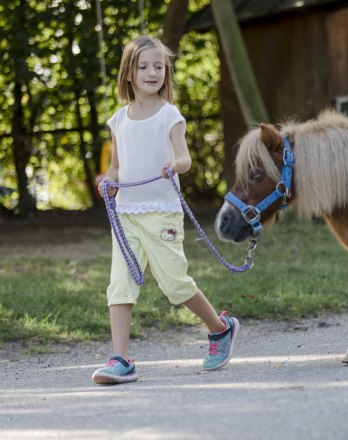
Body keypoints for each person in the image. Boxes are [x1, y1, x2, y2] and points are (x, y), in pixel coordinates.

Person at [93, 35, 239, 385]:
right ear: (129, 73)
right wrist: (108, 181)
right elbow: (116, 168)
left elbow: (186, 158)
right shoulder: (118, 120)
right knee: (120, 287)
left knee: (175, 285)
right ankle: (121, 359)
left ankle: (220, 329)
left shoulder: (169, 115)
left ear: (166, 71)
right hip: (126, 216)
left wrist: (175, 164)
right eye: (143, 66)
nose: (152, 72)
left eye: (158, 66)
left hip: (161, 213)